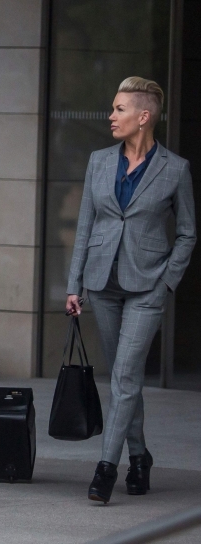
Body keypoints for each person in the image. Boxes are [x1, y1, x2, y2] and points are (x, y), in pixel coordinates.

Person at [66, 76, 195, 505]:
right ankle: (141, 456)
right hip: (102, 285)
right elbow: (85, 226)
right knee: (126, 378)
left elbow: (188, 234)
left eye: (119, 109)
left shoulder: (175, 168)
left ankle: (107, 467)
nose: (111, 116)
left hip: (147, 287)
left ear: (144, 117)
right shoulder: (99, 161)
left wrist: (167, 281)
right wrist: (74, 285)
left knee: (124, 376)